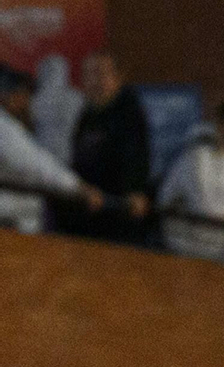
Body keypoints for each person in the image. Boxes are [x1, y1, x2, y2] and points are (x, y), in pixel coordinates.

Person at [60, 51, 151, 242]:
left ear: (117, 78)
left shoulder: (129, 114)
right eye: (89, 75)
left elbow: (136, 155)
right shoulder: (86, 114)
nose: (94, 82)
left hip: (116, 214)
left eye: (101, 74)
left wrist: (134, 190)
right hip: (86, 209)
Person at [0, 64, 102, 232]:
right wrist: (78, 187)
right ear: (12, 95)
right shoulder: (3, 125)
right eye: (25, 94)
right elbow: (34, 164)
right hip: (10, 223)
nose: (28, 101)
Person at [158, 97, 224, 260]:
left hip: (214, 253)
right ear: (221, 127)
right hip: (177, 250)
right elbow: (205, 208)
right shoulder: (196, 155)